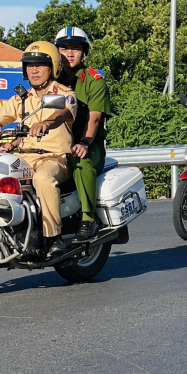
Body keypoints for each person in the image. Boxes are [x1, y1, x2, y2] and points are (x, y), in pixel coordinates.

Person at [0, 42, 77, 258]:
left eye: (40, 65)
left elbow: (62, 113)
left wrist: (46, 123)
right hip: (24, 158)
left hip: (54, 159)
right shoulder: (21, 99)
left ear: (53, 67)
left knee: (43, 179)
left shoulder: (63, 93)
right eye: (30, 65)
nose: (34, 70)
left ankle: (54, 237)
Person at [55, 26, 112, 243]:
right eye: (64, 49)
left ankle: (87, 219)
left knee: (80, 160)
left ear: (84, 52)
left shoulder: (94, 80)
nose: (69, 54)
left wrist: (85, 142)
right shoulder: (52, 80)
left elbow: (94, 118)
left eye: (75, 49)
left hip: (89, 144)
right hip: (56, 143)